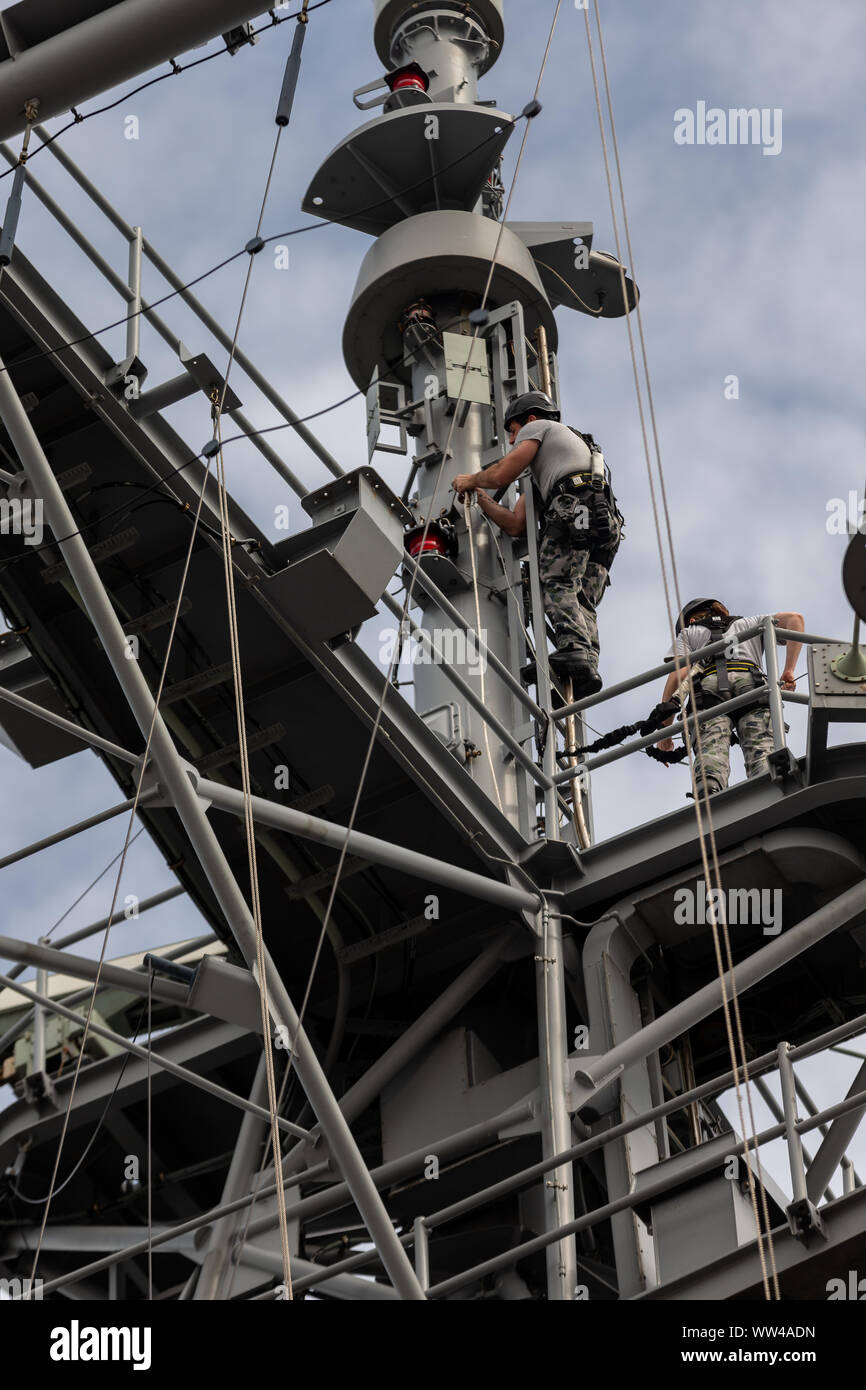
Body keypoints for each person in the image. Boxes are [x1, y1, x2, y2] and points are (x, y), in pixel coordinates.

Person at [451, 390, 622, 696]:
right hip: (602, 521)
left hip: (574, 506)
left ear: (529, 419)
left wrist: (471, 480)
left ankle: (574, 649)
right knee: (581, 597)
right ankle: (587, 665)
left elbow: (503, 472)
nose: (514, 441)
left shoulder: (538, 427)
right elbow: (517, 524)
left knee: (556, 580)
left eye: (514, 432)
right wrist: (482, 500)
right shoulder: (561, 462)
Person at [656, 598, 804, 796]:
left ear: (691, 620)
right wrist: (789, 670)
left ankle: (709, 790)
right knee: (762, 749)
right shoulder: (748, 623)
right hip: (752, 685)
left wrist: (665, 730)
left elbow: (678, 675)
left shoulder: (689, 633)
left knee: (711, 750)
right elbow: (795, 619)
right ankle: (770, 788)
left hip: (707, 689)